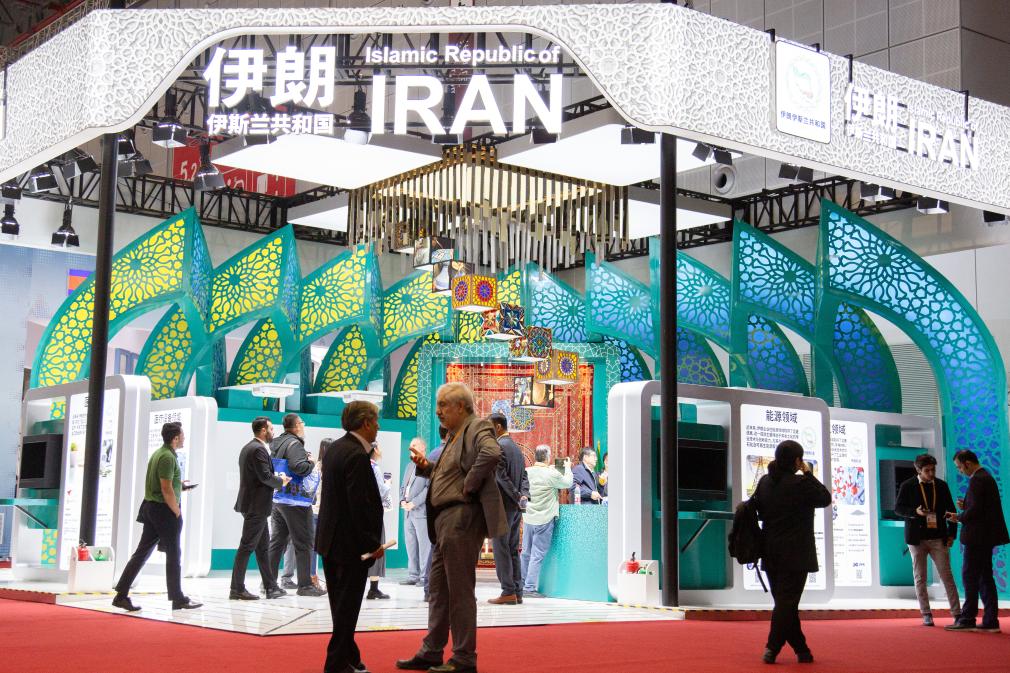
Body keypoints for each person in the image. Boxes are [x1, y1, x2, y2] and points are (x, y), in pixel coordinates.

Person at [396, 382, 506, 673]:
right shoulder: (454, 436)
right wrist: (425, 467)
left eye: (443, 405)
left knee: (459, 591)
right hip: (446, 521)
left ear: (460, 406)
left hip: (461, 518)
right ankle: (432, 651)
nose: (438, 411)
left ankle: (464, 658)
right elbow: (447, 474)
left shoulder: (477, 426)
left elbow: (492, 453)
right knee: (439, 590)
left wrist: (470, 484)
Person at [316, 401, 386, 673]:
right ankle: (335, 664)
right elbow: (359, 505)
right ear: (366, 423)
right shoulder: (356, 455)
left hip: (330, 541)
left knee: (340, 605)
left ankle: (350, 657)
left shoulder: (335, 448)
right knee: (347, 608)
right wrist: (372, 544)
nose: (378, 426)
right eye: (376, 421)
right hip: (349, 545)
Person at [752, 439, 831, 665]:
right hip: (796, 554)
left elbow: (759, 509)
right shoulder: (801, 483)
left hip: (770, 551)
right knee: (787, 604)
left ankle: (802, 649)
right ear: (797, 461)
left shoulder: (765, 482)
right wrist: (808, 473)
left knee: (785, 604)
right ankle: (772, 648)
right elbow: (825, 498)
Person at [111, 422, 201, 612]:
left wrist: (180, 486)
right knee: (173, 554)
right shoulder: (167, 457)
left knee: (142, 553)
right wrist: (176, 510)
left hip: (152, 508)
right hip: (164, 511)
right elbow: (166, 488)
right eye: (182, 435)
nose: (184, 438)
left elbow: (166, 484)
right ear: (175, 438)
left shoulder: (159, 454)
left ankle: (121, 594)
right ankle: (178, 598)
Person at [945, 449, 1010, 633]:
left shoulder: (978, 479)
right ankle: (990, 620)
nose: (960, 471)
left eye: (959, 467)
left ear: (967, 463)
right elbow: (981, 507)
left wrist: (958, 516)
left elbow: (975, 512)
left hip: (977, 537)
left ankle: (967, 618)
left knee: (970, 577)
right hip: (985, 537)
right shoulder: (986, 477)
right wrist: (966, 506)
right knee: (985, 577)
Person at [894, 453, 961, 626]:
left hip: (939, 537)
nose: (931, 473)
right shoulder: (908, 485)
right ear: (918, 470)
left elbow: (951, 510)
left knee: (947, 576)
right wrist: (914, 512)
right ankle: (926, 613)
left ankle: (957, 614)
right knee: (920, 577)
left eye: (933, 470)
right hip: (916, 538)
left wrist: (952, 534)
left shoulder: (942, 485)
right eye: (927, 470)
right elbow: (898, 509)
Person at [230, 416, 290, 600]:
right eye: (271, 429)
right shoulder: (257, 449)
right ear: (263, 430)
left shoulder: (249, 447)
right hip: (255, 506)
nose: (273, 432)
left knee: (262, 548)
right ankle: (236, 589)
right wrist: (281, 481)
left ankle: (271, 587)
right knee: (247, 546)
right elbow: (265, 476)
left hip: (255, 506)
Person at [268, 413, 326, 597]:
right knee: (304, 542)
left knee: (277, 542)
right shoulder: (295, 444)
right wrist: (310, 463)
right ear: (296, 426)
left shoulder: (277, 443)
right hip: (296, 501)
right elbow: (298, 467)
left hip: (278, 498)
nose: (303, 425)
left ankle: (268, 583)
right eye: (302, 423)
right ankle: (305, 585)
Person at [488, 412, 529, 606]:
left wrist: (515, 495)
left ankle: (507, 591)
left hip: (503, 506)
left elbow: (500, 476)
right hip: (515, 508)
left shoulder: (498, 447)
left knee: (501, 549)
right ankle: (517, 591)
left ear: (497, 427)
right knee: (512, 549)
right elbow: (524, 476)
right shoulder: (516, 448)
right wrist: (522, 495)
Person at [521, 445, 573, 598]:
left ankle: (520, 585)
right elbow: (567, 483)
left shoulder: (527, 472)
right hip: (544, 518)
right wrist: (568, 468)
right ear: (548, 457)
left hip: (528, 517)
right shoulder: (551, 474)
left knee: (525, 553)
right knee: (537, 554)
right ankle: (529, 588)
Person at [282, 437, 329, 592]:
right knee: (317, 548)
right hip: (320, 512)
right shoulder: (323, 468)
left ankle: (312, 578)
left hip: (314, 510)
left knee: (312, 548)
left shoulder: (314, 467)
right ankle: (312, 579)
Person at [400, 437, 432, 592]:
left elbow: (428, 489)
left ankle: (424, 577)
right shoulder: (409, 466)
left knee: (424, 546)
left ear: (422, 448)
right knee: (411, 544)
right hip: (407, 512)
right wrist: (402, 501)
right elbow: (403, 486)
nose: (410, 447)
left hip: (420, 512)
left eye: (414, 445)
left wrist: (414, 502)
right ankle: (413, 575)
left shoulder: (427, 465)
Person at [422, 425, 449, 603]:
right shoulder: (448, 454)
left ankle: (429, 589)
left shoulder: (432, 454)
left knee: (435, 549)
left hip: (433, 507)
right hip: (445, 509)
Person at [366, 441, 393, 600]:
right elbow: (382, 492)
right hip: (373, 514)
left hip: (359, 514)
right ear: (375, 450)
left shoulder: (359, 465)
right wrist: (388, 484)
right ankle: (373, 589)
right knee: (376, 549)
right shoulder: (374, 467)